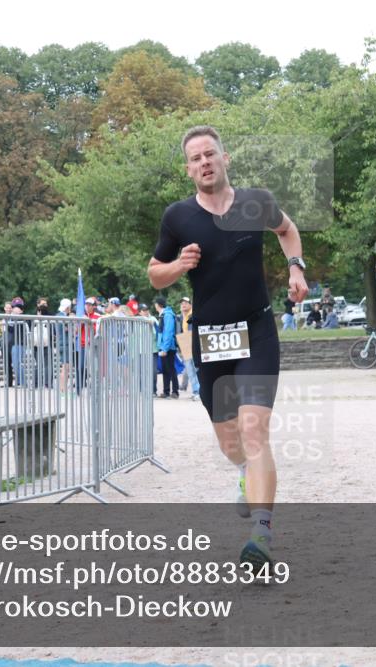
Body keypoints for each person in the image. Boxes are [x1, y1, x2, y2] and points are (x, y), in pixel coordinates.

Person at [148, 124, 309, 568]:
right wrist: (179, 264)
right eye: (196, 158)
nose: (204, 162)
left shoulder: (256, 202)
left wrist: (295, 268)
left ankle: (261, 533)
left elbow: (288, 230)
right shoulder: (177, 217)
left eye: (210, 154)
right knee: (230, 440)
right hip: (210, 338)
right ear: (188, 169)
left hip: (256, 330)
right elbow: (154, 273)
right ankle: (243, 474)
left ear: (225, 158)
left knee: (255, 430)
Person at [154, 297, 179, 398]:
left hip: (168, 347)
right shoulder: (164, 314)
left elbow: (168, 332)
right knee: (165, 369)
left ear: (158, 305)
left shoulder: (167, 315)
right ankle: (166, 391)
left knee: (171, 369)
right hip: (164, 346)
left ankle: (175, 392)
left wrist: (164, 348)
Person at [177, 297, 201, 400]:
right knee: (190, 370)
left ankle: (199, 391)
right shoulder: (181, 317)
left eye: (186, 303)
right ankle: (196, 391)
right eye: (182, 303)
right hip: (185, 343)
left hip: (193, 343)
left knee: (195, 369)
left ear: (191, 305)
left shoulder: (193, 315)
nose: (183, 305)